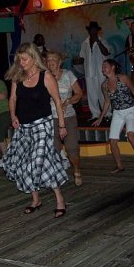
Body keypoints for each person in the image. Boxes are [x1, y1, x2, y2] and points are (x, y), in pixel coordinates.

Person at [4, 42, 69, 218]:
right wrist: (13, 116)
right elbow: (12, 99)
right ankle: (38, 199)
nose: (21, 62)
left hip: (42, 125)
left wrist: (62, 125)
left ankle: (58, 200)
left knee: (37, 159)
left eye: (24, 59)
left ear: (33, 58)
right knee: (31, 162)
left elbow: (57, 101)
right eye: (19, 59)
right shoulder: (18, 77)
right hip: (24, 127)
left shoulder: (46, 76)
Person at [92, 59, 134, 174]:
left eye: (105, 66)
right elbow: (107, 102)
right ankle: (119, 166)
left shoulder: (123, 78)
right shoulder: (104, 85)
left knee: (131, 135)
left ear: (113, 67)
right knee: (112, 140)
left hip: (131, 110)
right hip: (117, 113)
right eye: (102, 66)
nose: (103, 68)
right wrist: (100, 117)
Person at [46, 51, 83, 186]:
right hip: (51, 118)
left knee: (72, 147)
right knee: (53, 148)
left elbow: (79, 93)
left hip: (68, 117)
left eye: (53, 59)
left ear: (60, 62)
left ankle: (77, 170)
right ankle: (56, 174)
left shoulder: (68, 74)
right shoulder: (44, 77)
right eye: (48, 60)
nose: (50, 62)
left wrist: (67, 101)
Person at [79, 21, 112, 120]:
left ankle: (107, 114)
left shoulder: (103, 41)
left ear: (97, 31)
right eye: (91, 29)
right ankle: (95, 114)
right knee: (91, 95)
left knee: (103, 93)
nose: (93, 31)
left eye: (95, 29)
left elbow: (106, 52)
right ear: (89, 31)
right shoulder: (84, 43)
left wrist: (98, 42)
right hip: (89, 72)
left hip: (101, 72)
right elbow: (82, 57)